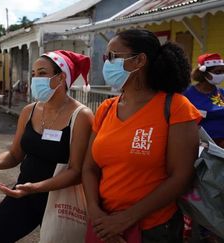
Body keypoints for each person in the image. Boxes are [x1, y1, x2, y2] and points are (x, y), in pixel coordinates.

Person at [82, 29, 202, 243]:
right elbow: (90, 167)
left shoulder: (176, 107)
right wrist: (95, 212)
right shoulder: (106, 109)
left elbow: (181, 177)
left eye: (112, 57)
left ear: (139, 60)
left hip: (154, 229)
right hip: (104, 225)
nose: (106, 64)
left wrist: (126, 219)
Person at [0, 50, 94, 242]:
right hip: (24, 192)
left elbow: (76, 170)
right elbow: (14, 155)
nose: (35, 79)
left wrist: (36, 188)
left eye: (41, 73)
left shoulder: (81, 115)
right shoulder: (29, 111)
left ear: (61, 77)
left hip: (60, 201)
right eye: (33, 74)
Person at [183, 53, 224, 242]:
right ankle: (197, 228)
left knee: (216, 190)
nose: (220, 75)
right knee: (201, 190)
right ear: (204, 72)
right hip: (199, 150)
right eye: (217, 71)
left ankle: (215, 229)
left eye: (222, 71)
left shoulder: (220, 94)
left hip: (220, 152)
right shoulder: (188, 95)